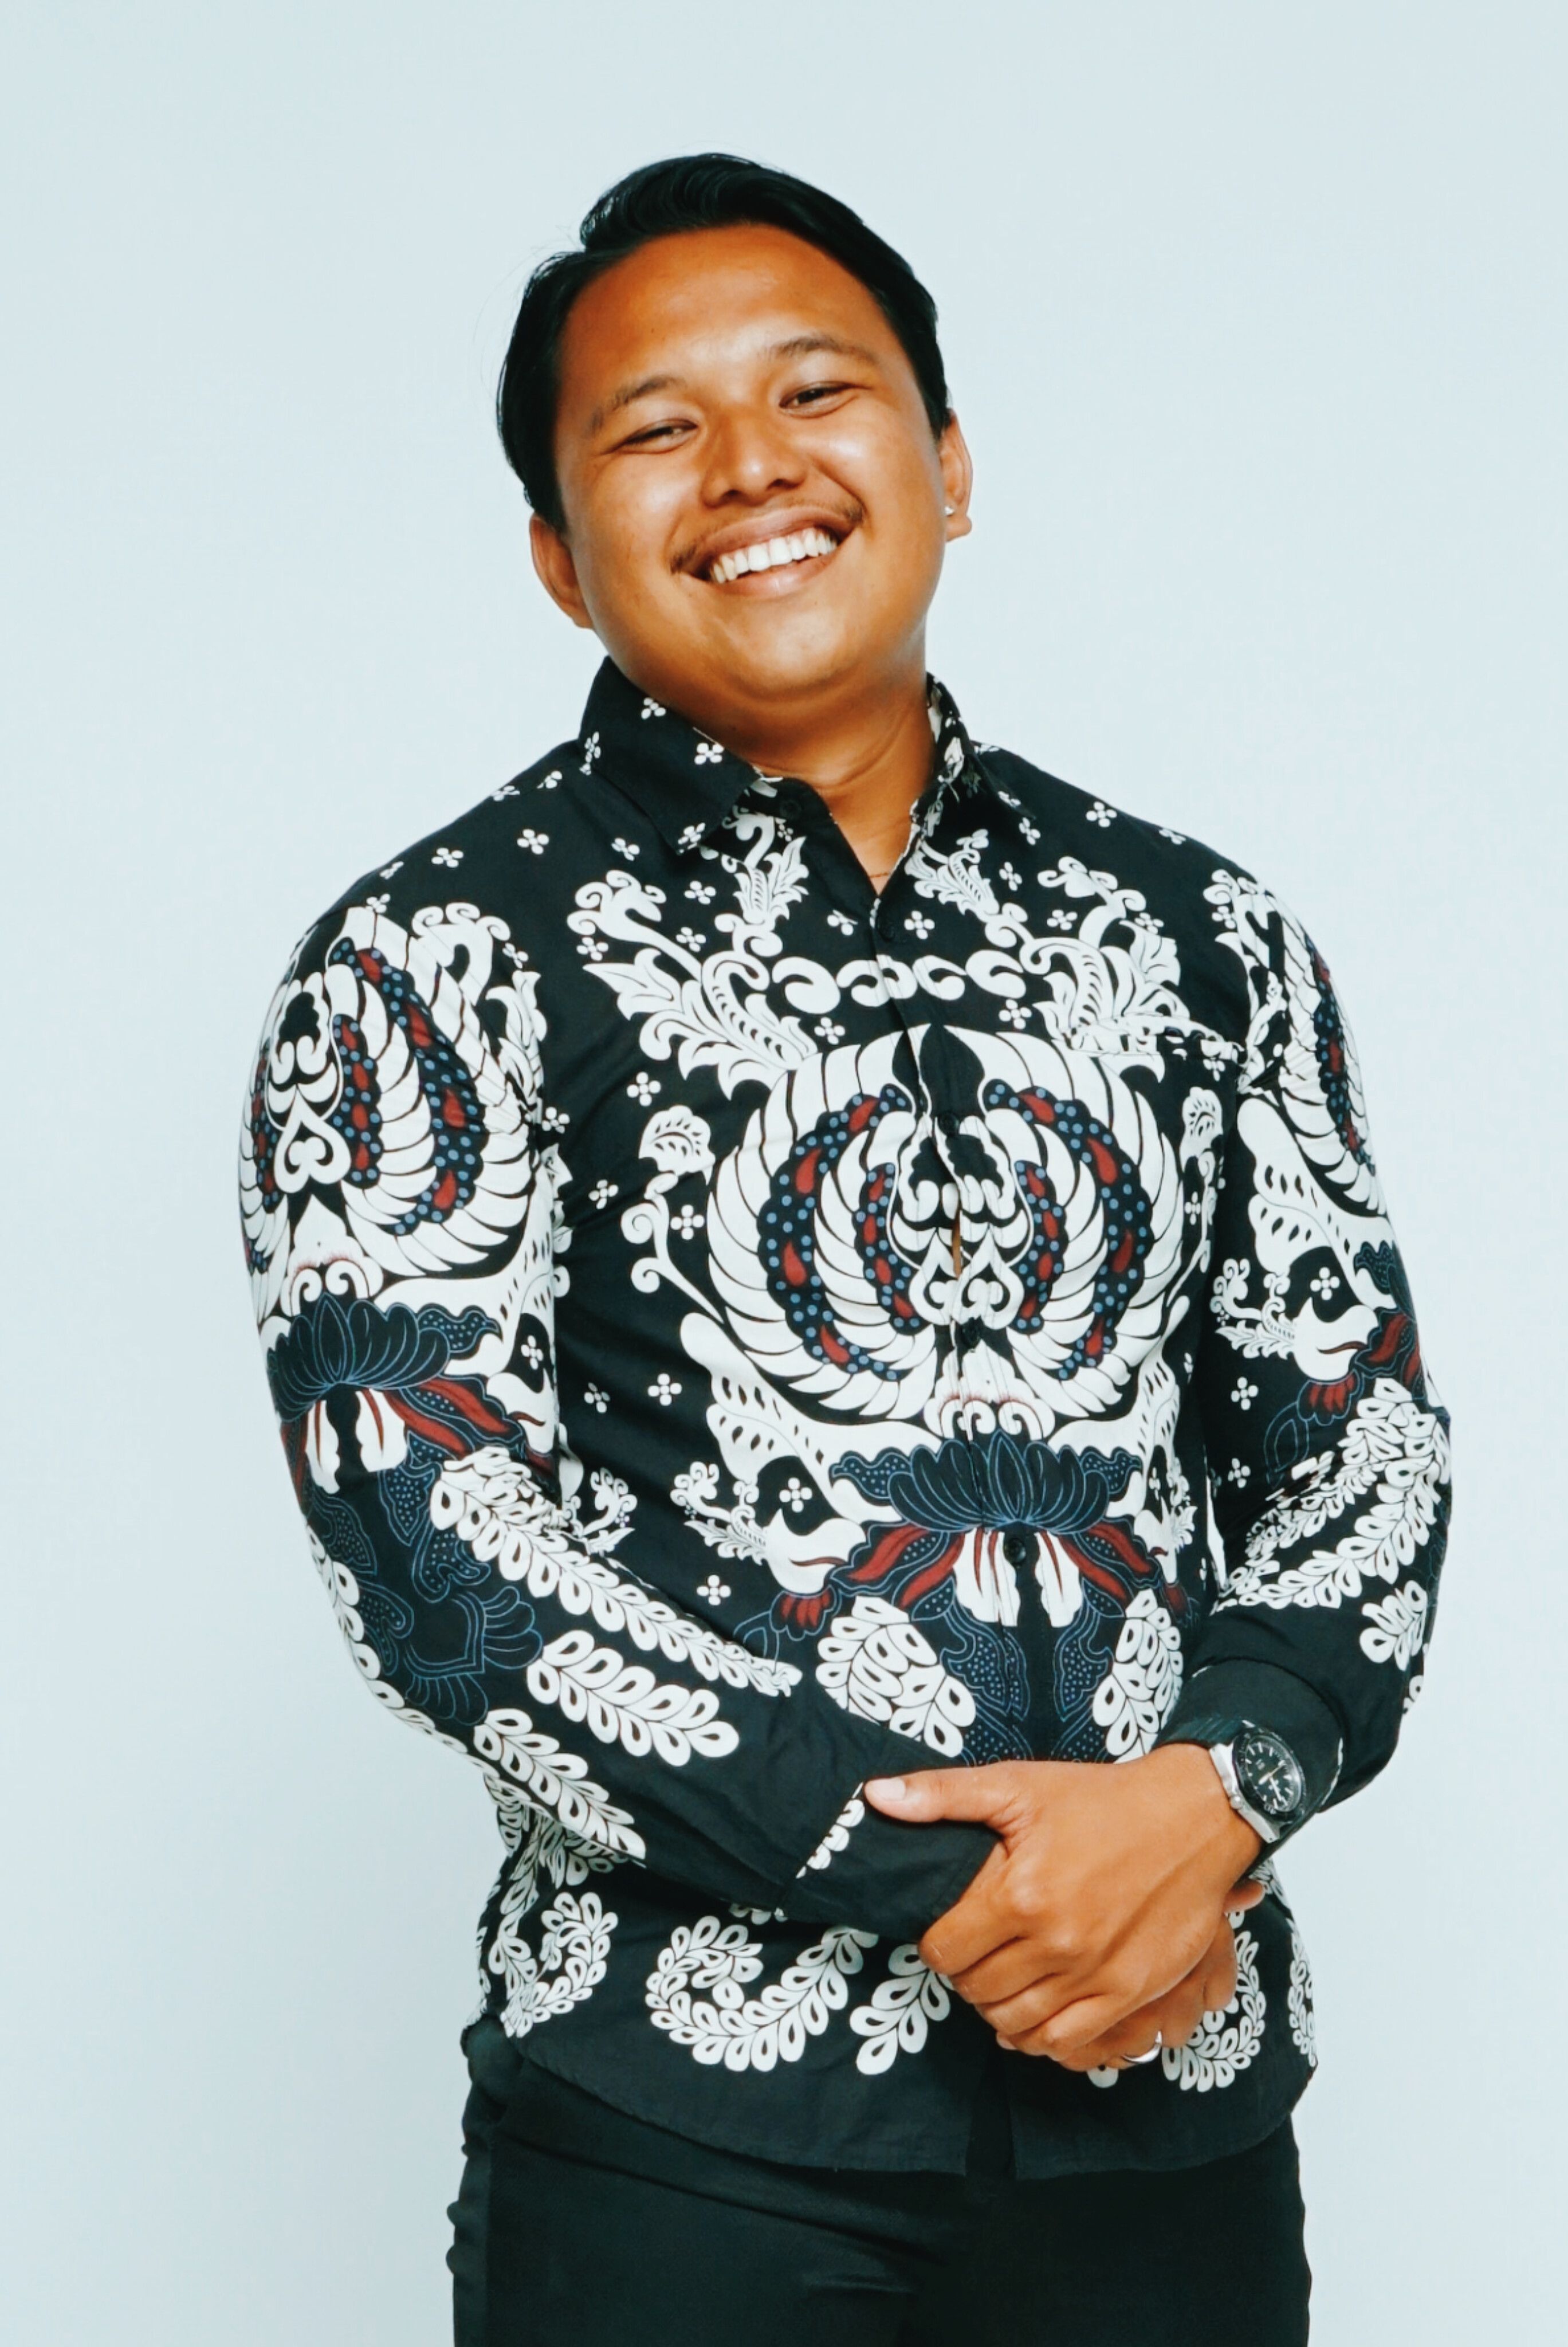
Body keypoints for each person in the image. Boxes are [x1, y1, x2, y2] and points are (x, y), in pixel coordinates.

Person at [239, 155, 1451, 2346]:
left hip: (1176, 2119)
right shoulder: (431, 955)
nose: (750, 468)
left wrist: (1216, 1795)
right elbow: (433, 1554)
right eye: (655, 429)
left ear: (947, 465)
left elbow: (1359, 1446)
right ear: (557, 554)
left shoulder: (1199, 931)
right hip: (686, 2146)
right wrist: (1000, 1882)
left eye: (815, 393)